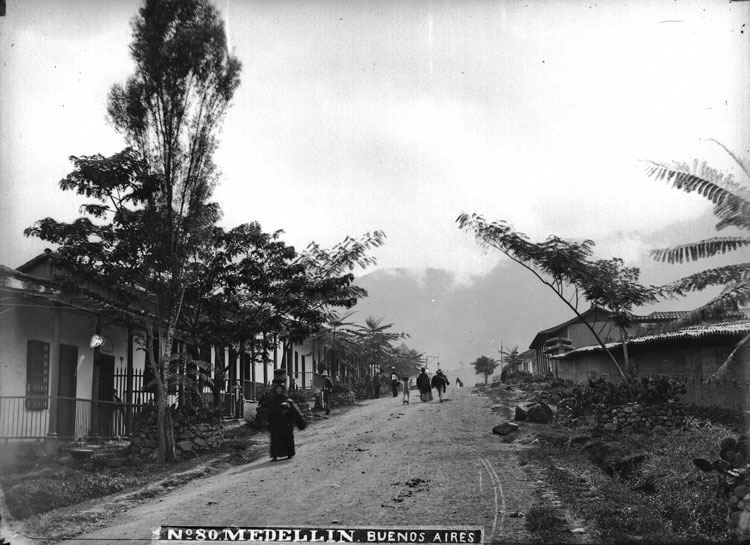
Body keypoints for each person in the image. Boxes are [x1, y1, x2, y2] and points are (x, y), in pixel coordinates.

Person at [267, 382, 306, 462]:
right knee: (275, 438)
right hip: (276, 423)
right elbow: (270, 411)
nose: (279, 390)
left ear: (283, 390)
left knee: (287, 437)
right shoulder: (272, 399)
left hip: (286, 422)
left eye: (280, 389)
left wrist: (300, 423)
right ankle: (275, 456)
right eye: (277, 388)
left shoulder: (287, 399)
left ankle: (289, 453)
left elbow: (295, 412)